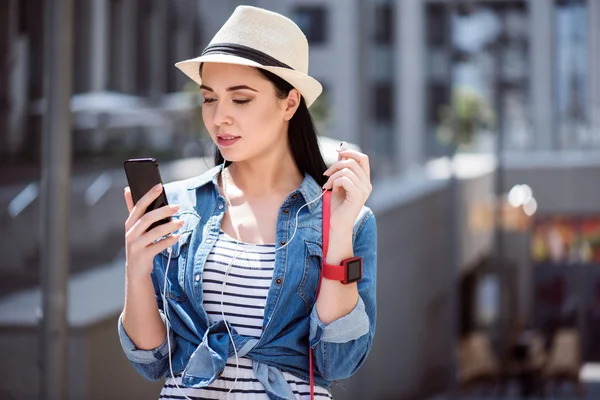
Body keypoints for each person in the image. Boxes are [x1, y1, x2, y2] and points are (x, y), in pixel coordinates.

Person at [117, 5, 377, 400]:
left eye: (240, 99)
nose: (219, 117)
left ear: (289, 104)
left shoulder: (348, 219)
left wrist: (338, 231)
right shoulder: (177, 205)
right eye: (209, 99)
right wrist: (136, 270)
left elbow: (337, 362)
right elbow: (152, 360)